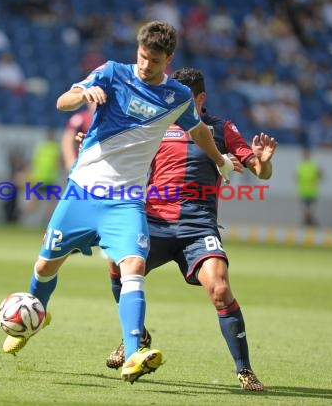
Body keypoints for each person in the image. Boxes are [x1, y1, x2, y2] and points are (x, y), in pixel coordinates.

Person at [1, 21, 234, 384]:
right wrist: (84, 94)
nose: (145, 65)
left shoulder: (177, 97)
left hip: (125, 200)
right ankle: (33, 316)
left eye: (154, 61)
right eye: (142, 56)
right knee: (45, 267)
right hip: (82, 191)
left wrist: (220, 160)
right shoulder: (111, 72)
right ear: (137, 50)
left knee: (133, 266)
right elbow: (63, 101)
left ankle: (134, 352)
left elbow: (198, 131)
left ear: (168, 60)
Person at [100, 67, 276, 391]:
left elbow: (259, 172)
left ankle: (245, 370)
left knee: (220, 289)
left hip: (198, 226)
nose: (173, 102)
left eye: (182, 98)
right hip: (154, 222)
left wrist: (263, 162)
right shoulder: (154, 124)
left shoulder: (221, 129)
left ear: (200, 98)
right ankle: (135, 337)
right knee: (115, 261)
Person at [61, 101, 95, 171]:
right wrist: (70, 159)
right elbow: (67, 139)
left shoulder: (109, 120)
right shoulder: (80, 118)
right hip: (82, 165)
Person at [296, 148, 322, 226]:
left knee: (310, 211)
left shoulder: (313, 166)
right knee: (306, 211)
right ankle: (309, 223)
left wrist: (316, 182)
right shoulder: (301, 166)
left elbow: (320, 174)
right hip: (303, 192)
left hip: (312, 192)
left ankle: (309, 223)